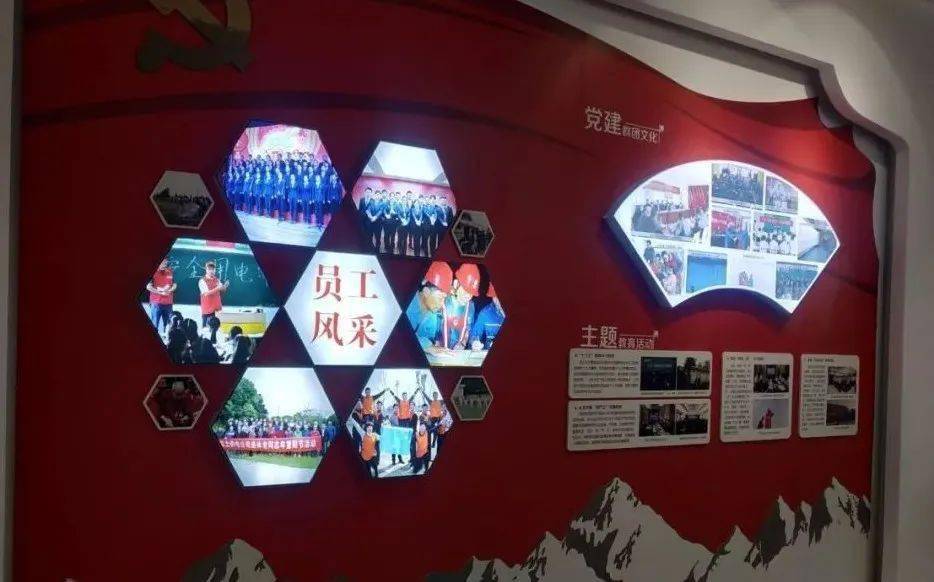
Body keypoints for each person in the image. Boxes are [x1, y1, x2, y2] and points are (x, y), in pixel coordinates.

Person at [407, 261, 453, 348]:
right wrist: (427, 345)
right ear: (426, 291)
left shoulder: (432, 315)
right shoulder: (406, 306)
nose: (442, 304)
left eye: (444, 299)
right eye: (440, 298)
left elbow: (428, 339)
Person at [441, 264, 480, 350]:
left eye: (471, 293)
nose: (468, 296)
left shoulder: (470, 307)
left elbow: (468, 330)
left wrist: (463, 343)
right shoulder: (441, 299)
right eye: (465, 290)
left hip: (457, 354)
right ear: (456, 284)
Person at [470, 283, 505, 351]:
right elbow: (474, 334)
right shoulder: (485, 313)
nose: (498, 300)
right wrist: (475, 342)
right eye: (495, 296)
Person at [147, 259, 177, 335]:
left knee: (168, 326)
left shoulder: (170, 271)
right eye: (163, 262)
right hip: (156, 303)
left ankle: (166, 339)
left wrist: (170, 290)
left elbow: (174, 284)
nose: (164, 264)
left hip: (168, 303)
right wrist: (160, 292)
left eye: (166, 263)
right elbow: (148, 286)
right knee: (155, 324)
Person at [199, 261, 229, 328]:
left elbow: (221, 290)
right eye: (209, 269)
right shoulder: (202, 281)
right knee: (206, 330)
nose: (211, 271)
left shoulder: (217, 279)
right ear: (206, 270)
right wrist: (217, 288)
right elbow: (206, 293)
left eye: (213, 269)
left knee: (216, 330)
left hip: (217, 310)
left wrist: (224, 287)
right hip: (207, 311)